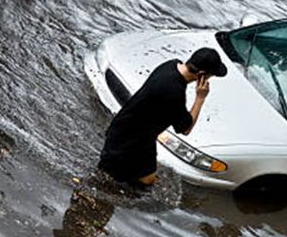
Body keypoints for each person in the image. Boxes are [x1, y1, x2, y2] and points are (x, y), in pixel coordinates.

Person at [97, 48, 227, 186]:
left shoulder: (170, 65)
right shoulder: (174, 92)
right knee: (105, 182)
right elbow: (186, 129)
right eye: (210, 76)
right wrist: (200, 98)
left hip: (139, 136)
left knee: (147, 180)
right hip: (126, 142)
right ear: (201, 74)